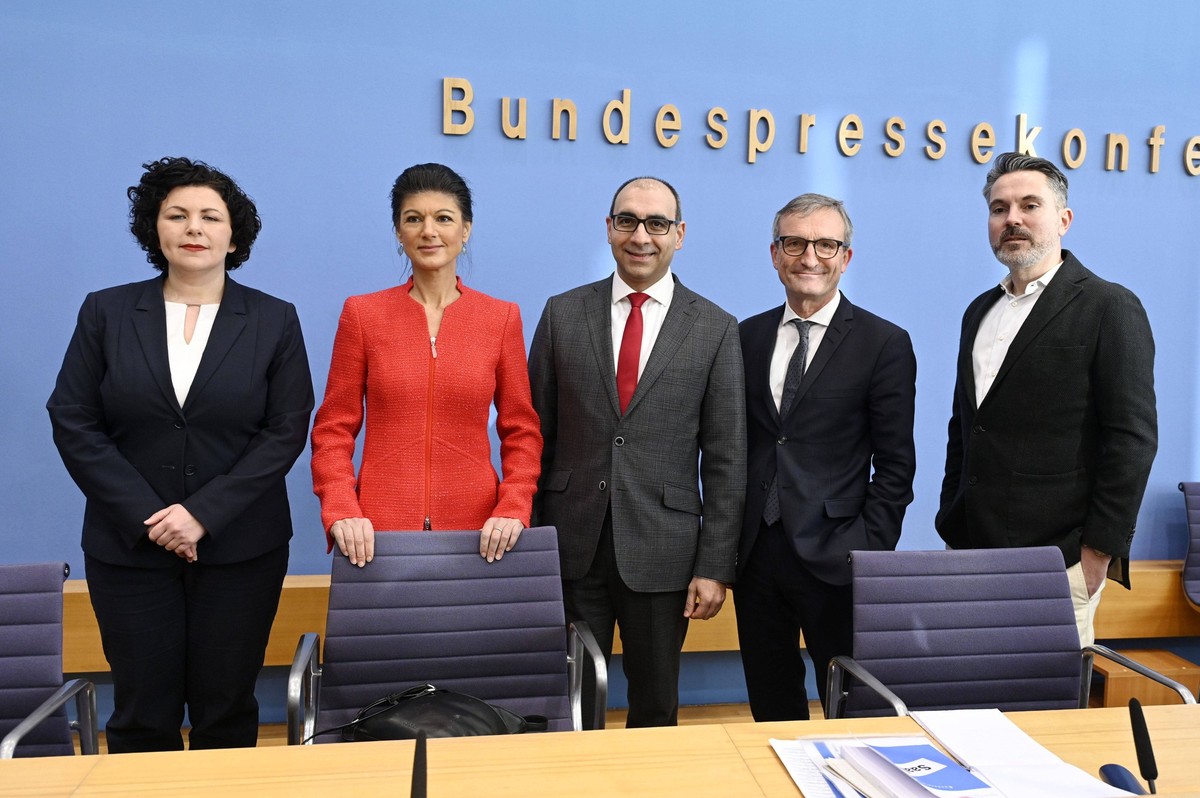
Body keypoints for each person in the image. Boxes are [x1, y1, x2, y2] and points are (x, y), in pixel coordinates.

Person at [47, 157, 314, 752]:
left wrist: (202, 514)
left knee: (227, 711)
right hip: (129, 546)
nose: (194, 228)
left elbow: (285, 430)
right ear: (155, 229)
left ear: (233, 235)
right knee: (142, 713)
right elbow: (73, 418)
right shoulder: (106, 312)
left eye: (210, 217)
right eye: (178, 215)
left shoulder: (275, 319)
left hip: (242, 548)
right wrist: (153, 517)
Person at [528, 176, 746, 727]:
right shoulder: (561, 314)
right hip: (570, 544)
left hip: (664, 551)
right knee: (572, 705)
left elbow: (726, 459)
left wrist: (714, 565)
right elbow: (532, 435)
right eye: (627, 220)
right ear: (608, 229)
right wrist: (530, 546)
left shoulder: (716, 328)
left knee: (654, 706)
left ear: (679, 234)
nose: (640, 235)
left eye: (656, 223)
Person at [936, 152, 1157, 646]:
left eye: (1028, 205)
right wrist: (951, 515)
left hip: (1059, 559)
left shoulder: (1109, 306)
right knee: (965, 701)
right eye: (999, 209)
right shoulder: (980, 311)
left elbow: (1132, 439)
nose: (1011, 218)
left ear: (1063, 219)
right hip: (970, 551)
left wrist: (1098, 551)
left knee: (1042, 714)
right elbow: (966, 426)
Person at [736, 193, 917, 721]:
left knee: (852, 707)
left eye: (826, 244)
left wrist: (867, 548)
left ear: (846, 256)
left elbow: (897, 466)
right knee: (770, 704)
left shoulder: (884, 343)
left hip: (840, 555)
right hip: (756, 556)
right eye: (795, 243)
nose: (809, 256)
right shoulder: (745, 337)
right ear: (775, 254)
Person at [310, 163, 541, 565]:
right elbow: (333, 429)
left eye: (444, 218)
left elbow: (521, 429)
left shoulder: (501, 318)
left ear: (465, 230)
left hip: (481, 536)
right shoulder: (363, 314)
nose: (428, 231)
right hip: (375, 535)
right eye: (413, 219)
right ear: (399, 233)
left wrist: (514, 506)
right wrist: (342, 508)